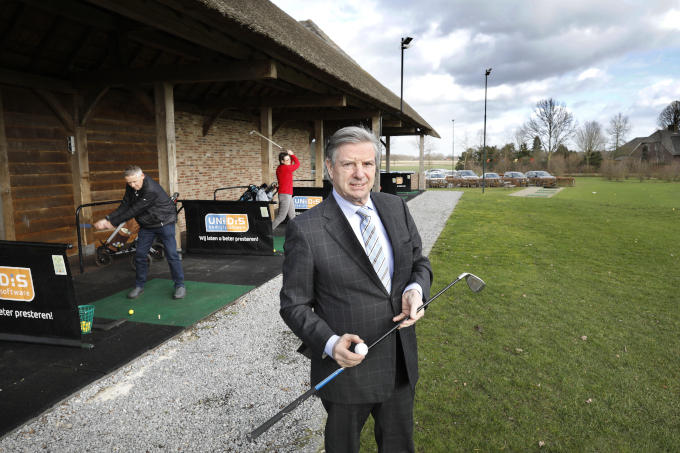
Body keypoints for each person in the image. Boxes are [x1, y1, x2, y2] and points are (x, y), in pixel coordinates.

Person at [279, 126, 432, 453]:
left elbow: (420, 262)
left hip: (400, 364)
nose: (359, 173)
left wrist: (416, 291)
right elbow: (293, 305)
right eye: (349, 164)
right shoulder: (306, 229)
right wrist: (331, 343)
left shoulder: (395, 207)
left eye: (367, 164)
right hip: (347, 370)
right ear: (330, 169)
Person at [93, 165, 185, 300]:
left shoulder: (151, 189)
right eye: (129, 182)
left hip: (164, 223)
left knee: (172, 255)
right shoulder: (130, 186)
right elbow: (125, 205)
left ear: (142, 176)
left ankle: (180, 285)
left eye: (135, 181)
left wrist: (113, 223)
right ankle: (139, 285)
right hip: (147, 224)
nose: (133, 185)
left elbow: (134, 210)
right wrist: (108, 218)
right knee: (140, 255)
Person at [271, 149, 300, 231]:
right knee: (281, 217)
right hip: (285, 195)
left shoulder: (280, 167)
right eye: (287, 160)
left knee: (292, 216)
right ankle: (266, 232)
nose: (289, 161)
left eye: (289, 159)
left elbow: (291, 164)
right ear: (282, 161)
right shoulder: (285, 168)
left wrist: (289, 155)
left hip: (287, 195)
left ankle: (295, 233)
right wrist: (292, 155)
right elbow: (297, 164)